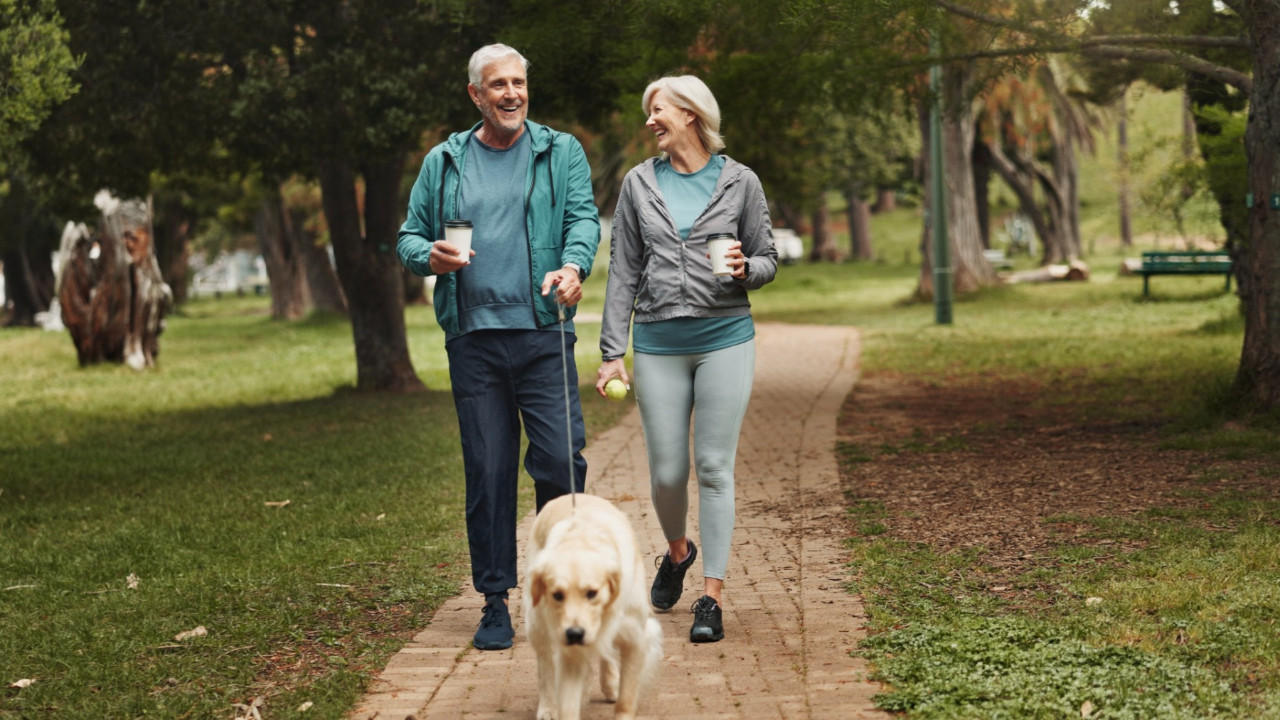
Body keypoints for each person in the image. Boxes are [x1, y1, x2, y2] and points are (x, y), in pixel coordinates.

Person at [397, 43, 601, 651]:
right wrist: (429, 256)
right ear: (475, 95)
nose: (511, 94)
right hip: (474, 340)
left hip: (543, 331)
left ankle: (562, 590)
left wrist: (573, 266)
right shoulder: (444, 161)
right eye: (498, 85)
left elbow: (583, 220)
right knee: (488, 471)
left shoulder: (560, 151)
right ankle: (494, 600)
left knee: (561, 463)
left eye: (518, 83)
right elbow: (409, 237)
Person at [595, 75, 777, 643]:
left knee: (715, 468)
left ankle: (711, 596)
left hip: (725, 337)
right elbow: (623, 269)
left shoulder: (741, 182)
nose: (649, 119)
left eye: (658, 109)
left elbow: (767, 258)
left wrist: (748, 269)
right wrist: (611, 353)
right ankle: (678, 551)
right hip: (658, 343)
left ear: (691, 114)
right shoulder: (638, 183)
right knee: (669, 473)